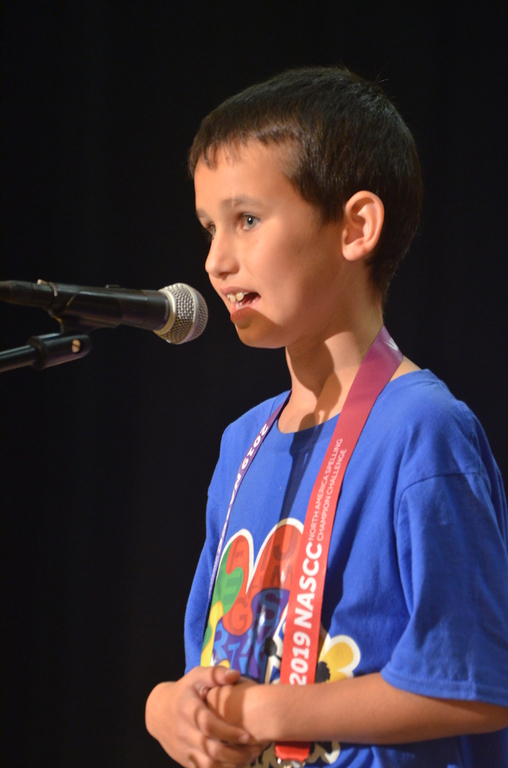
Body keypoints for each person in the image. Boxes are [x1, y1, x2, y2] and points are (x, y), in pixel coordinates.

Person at [145, 67, 508, 768]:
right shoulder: (243, 445)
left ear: (356, 227)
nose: (216, 261)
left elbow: (478, 682)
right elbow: (211, 670)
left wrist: (268, 711)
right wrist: (165, 707)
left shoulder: (421, 429)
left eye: (247, 220)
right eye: (209, 227)